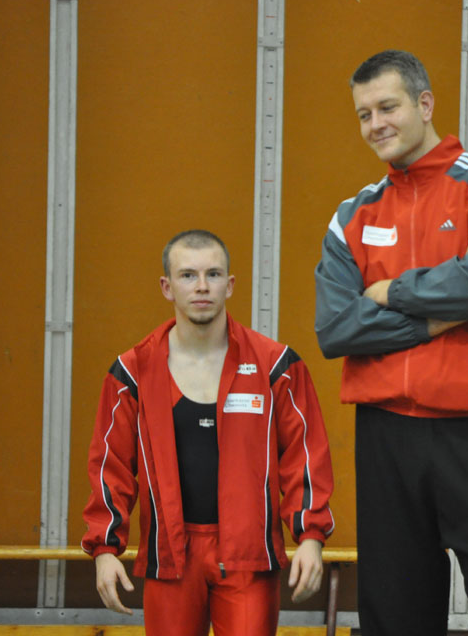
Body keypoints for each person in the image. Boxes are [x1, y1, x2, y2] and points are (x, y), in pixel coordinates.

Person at [314, 50, 468, 636]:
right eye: (364, 114)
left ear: (425, 103)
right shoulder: (352, 215)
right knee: (395, 617)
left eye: (387, 107)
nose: (376, 124)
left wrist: (391, 291)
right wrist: (442, 316)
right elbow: (336, 330)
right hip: (386, 436)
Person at [82, 229, 335, 635]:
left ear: (229, 285)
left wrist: (310, 537)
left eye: (213, 274)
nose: (202, 286)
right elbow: (109, 467)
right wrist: (104, 549)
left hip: (248, 557)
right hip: (170, 556)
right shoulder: (132, 372)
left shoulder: (276, 366)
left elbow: (305, 457)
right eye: (188, 275)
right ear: (167, 287)